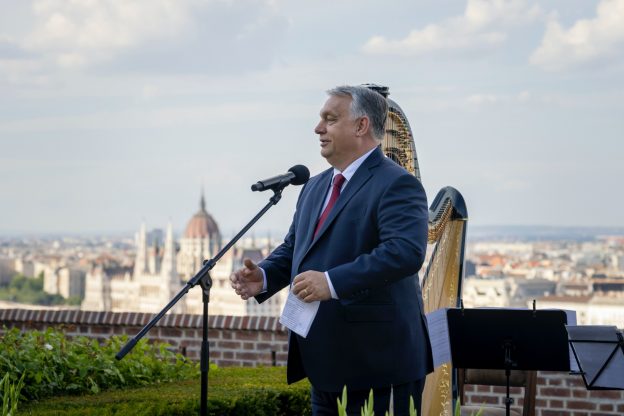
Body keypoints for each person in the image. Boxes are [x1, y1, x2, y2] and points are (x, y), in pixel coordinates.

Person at [230, 85, 433, 415]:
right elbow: (296, 247)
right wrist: (265, 276)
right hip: (324, 365)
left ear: (361, 125)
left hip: (379, 365)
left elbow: (404, 252)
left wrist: (332, 282)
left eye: (330, 119)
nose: (318, 128)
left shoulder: (397, 183)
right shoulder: (315, 185)